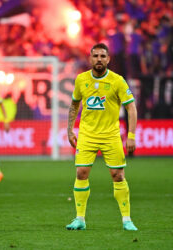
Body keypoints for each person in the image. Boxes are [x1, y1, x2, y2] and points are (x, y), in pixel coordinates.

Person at [66, 43, 138, 231]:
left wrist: (131, 135)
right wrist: (69, 129)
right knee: (81, 173)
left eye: (102, 56)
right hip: (87, 135)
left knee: (118, 175)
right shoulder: (81, 80)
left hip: (110, 135)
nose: (99, 59)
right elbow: (74, 105)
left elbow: (131, 107)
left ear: (108, 59)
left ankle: (127, 220)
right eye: (95, 56)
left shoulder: (117, 81)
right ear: (90, 58)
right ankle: (80, 219)